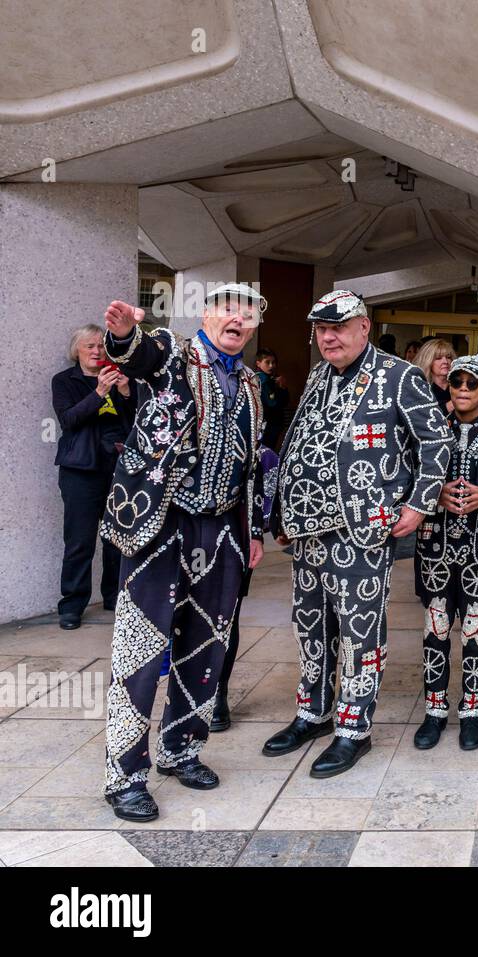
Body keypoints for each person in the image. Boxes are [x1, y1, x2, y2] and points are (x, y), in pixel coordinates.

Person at [264, 290, 452, 777]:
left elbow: (437, 439)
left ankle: (353, 728)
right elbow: (302, 440)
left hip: (362, 530)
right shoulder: (318, 373)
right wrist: (285, 508)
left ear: (363, 327)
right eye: (321, 329)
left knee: (359, 632)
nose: (328, 336)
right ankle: (313, 712)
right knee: (310, 627)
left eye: (339, 327)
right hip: (307, 531)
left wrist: (418, 502)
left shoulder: (399, 375)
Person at [99, 284, 267, 822]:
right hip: (160, 527)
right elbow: (139, 355)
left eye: (246, 313)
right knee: (140, 652)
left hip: (220, 531)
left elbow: (252, 466)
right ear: (206, 315)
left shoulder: (251, 383)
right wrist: (124, 333)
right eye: (226, 310)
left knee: (205, 649)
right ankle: (124, 777)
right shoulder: (176, 356)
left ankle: (181, 749)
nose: (235, 319)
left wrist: (255, 530)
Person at [413, 355, 478, 751]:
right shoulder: (430, 431)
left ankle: (471, 710)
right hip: (435, 546)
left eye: (473, 384)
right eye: (457, 382)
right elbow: (408, 477)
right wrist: (432, 493)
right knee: (435, 631)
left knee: (476, 630)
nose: (463, 390)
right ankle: (434, 711)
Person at [52, 324, 134, 630]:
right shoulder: (65, 381)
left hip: (118, 467)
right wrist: (100, 392)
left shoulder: (119, 378)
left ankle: (113, 596)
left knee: (116, 538)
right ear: (77, 350)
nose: (97, 351)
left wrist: (126, 391)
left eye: (101, 346)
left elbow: (138, 420)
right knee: (79, 540)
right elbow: (69, 420)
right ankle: (72, 604)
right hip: (81, 470)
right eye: (90, 346)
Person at [211, 441, 279, 732]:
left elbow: (254, 470)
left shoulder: (246, 401)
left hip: (234, 526)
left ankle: (217, 692)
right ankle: (185, 693)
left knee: (227, 612)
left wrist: (255, 533)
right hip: (182, 522)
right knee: (183, 614)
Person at [254, 348, 290, 451]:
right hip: (267, 424)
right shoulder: (263, 380)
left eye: (273, 362)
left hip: (271, 424)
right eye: (267, 362)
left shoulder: (271, 379)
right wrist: (281, 389)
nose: (271, 366)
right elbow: (273, 403)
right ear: (258, 363)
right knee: (266, 452)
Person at [416, 338, 456, 411]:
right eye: (438, 358)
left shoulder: (459, 385)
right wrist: (446, 407)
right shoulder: (420, 388)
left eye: (448, 357)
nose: (445, 362)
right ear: (427, 361)